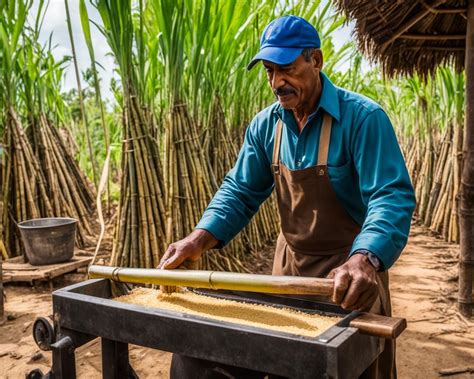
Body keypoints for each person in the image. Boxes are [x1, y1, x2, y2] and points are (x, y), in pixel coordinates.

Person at [159, 15, 416, 379]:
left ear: (316, 61)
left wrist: (365, 258)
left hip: (347, 278)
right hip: (289, 271)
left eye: (287, 68)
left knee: (354, 369)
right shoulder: (266, 126)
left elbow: (390, 196)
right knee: (285, 366)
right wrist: (198, 238)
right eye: (268, 71)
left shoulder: (363, 119)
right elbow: (240, 190)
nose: (277, 82)